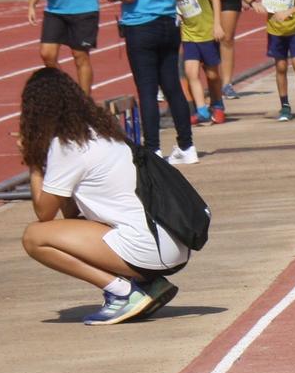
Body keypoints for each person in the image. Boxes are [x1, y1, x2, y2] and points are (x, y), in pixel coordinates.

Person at [18, 68, 182, 326]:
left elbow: (44, 214)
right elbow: (72, 217)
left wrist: (34, 162)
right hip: (168, 240)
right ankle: (149, 284)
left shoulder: (67, 146)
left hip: (148, 247)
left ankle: (123, 293)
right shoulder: (100, 132)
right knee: (70, 226)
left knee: (34, 237)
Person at [116, 0, 196, 166]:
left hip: (141, 24)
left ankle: (153, 148)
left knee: (147, 90)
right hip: (168, 24)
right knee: (172, 86)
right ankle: (187, 145)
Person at [170, 0, 224, 126]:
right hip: (189, 33)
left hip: (207, 31)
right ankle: (201, 110)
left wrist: (217, 24)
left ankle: (217, 104)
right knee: (191, 72)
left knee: (212, 74)